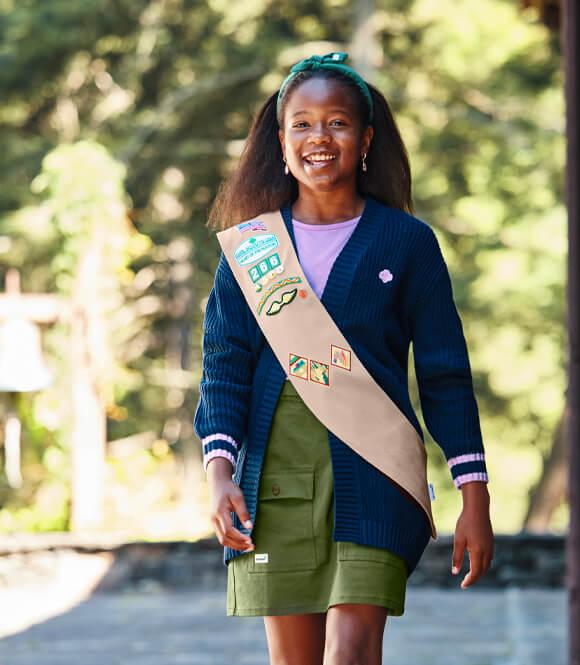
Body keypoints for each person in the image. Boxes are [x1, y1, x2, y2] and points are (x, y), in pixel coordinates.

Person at [194, 51, 494, 664]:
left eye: (337, 122)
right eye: (302, 124)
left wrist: (475, 496)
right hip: (275, 482)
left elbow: (444, 374)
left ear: (366, 139)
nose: (318, 138)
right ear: (280, 141)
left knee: (352, 653)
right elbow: (224, 367)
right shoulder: (252, 250)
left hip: (375, 472)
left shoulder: (407, 243)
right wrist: (219, 470)